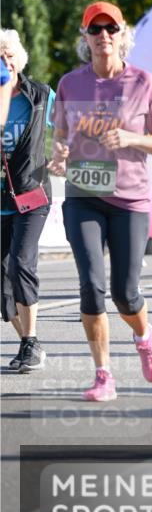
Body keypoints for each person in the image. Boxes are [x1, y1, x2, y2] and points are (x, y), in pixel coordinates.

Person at [49, 2, 152, 401]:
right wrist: (59, 155)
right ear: (85, 37)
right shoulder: (70, 83)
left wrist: (132, 139)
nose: (104, 36)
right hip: (83, 196)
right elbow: (61, 137)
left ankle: (144, 335)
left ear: (123, 35)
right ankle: (103, 374)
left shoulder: (142, 82)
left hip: (129, 199)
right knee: (90, 285)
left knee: (125, 292)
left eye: (111, 28)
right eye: (95, 29)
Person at [1, 30, 54, 372]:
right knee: (2, 281)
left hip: (31, 193)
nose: (3, 60)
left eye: (7, 54)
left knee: (21, 263)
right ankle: (27, 341)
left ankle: (31, 341)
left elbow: (67, 129)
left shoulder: (40, 95)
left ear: (18, 59)